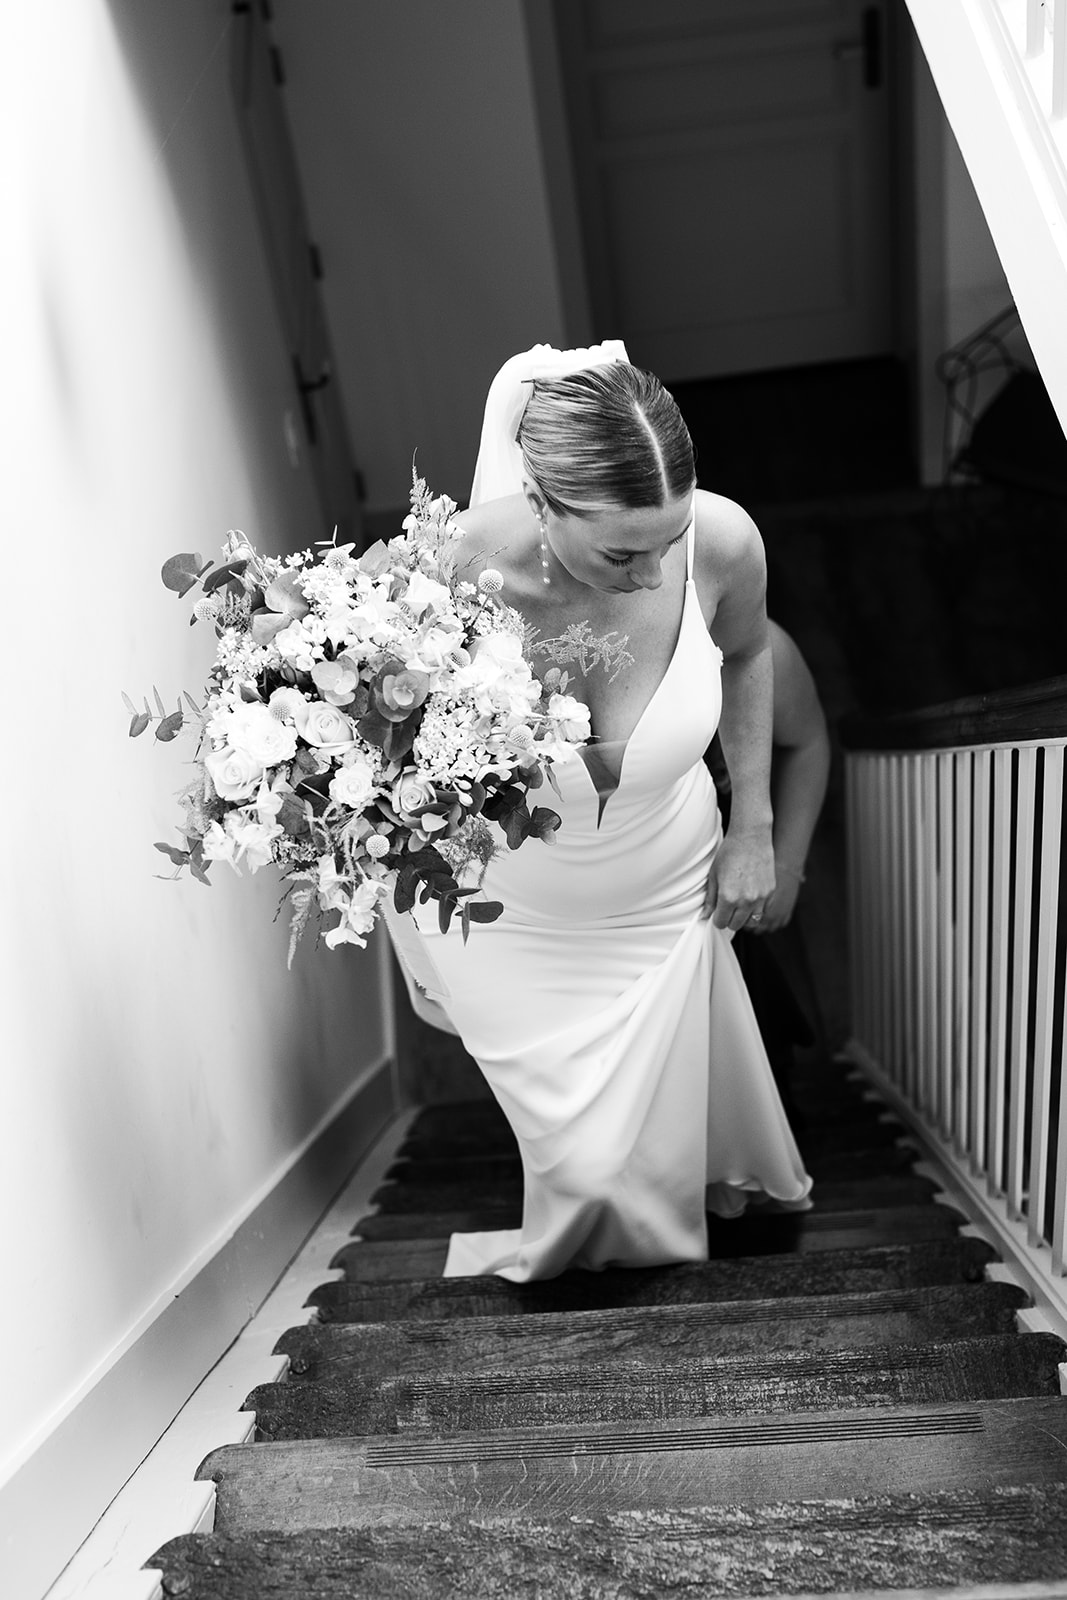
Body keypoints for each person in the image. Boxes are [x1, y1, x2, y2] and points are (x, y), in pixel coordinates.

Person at [391, 341, 812, 1281]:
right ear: (539, 505)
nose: (655, 575)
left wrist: (755, 826)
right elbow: (387, 753)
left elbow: (747, 657)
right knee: (580, 1167)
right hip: (516, 909)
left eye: (668, 542)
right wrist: (406, 910)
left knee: (672, 1159)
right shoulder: (448, 569)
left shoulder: (726, 541)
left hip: (665, 884)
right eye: (624, 551)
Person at [706, 621, 832, 1121]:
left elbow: (809, 741)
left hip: (722, 874)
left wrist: (786, 865)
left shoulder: (754, 641)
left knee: (750, 1043)